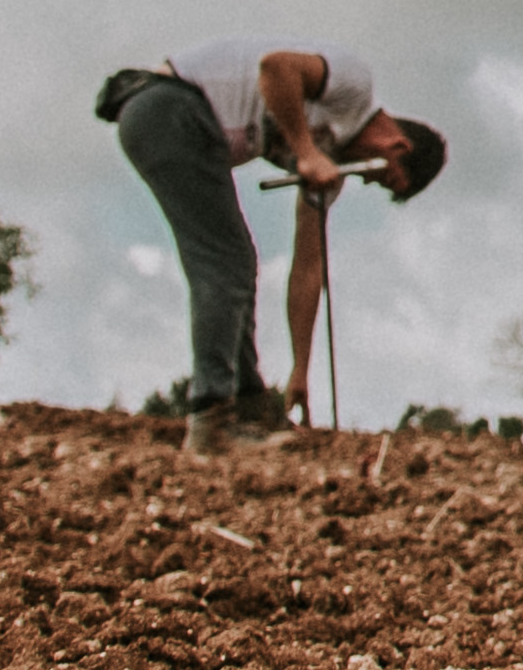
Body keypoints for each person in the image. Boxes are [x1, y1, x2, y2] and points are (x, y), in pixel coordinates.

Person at [98, 45, 452, 452]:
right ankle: (211, 422)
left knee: (236, 260)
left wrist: (300, 369)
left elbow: (307, 267)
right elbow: (275, 67)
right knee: (226, 261)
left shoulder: (329, 166)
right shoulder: (353, 86)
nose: (367, 182)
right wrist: (305, 151)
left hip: (179, 125)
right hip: (169, 107)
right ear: (397, 148)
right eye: (382, 177)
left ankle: (249, 406)